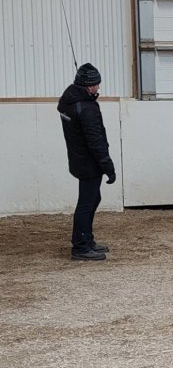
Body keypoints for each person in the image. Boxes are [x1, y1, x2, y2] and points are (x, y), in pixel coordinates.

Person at [57, 63, 116, 261]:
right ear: (89, 86)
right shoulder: (87, 108)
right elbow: (96, 140)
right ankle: (81, 246)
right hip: (89, 163)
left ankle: (87, 239)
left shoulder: (69, 102)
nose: (98, 88)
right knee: (87, 203)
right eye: (97, 84)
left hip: (78, 159)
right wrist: (108, 166)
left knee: (92, 199)